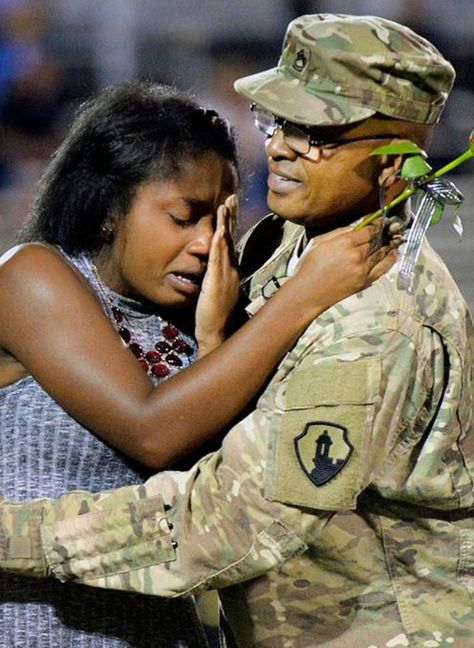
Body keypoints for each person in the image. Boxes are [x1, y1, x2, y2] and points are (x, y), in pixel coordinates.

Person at [1, 13, 472, 648]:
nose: (282, 147)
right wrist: (225, 334)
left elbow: (225, 526)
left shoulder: (378, 314)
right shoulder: (279, 250)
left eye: (320, 133)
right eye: (281, 122)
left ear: (396, 166)